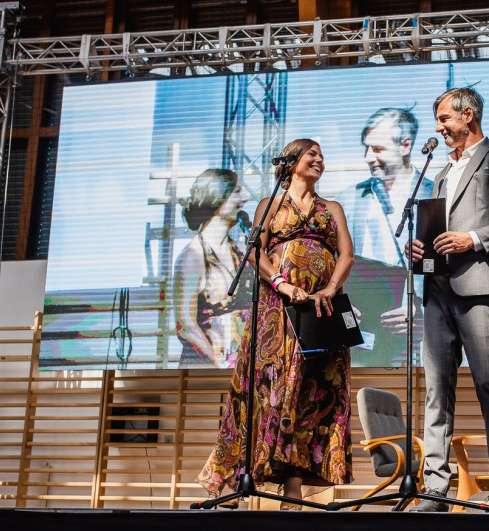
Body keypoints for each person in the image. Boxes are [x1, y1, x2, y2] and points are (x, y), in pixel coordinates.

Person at [197, 138, 355, 510]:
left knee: (311, 394)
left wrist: (330, 288)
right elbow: (255, 252)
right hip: (276, 310)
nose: (319, 159)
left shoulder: (332, 208)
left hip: (320, 310)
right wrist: (283, 284)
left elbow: (346, 254)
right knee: (264, 389)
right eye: (312, 154)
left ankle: (294, 487)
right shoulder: (270, 205)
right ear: (291, 161)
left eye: (322, 155)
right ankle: (234, 476)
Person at [406, 87, 489, 513]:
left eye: (444, 119)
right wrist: (420, 248)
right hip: (437, 291)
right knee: (436, 391)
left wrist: (473, 238)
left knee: (487, 383)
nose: (439, 127)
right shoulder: (442, 172)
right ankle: (435, 490)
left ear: (469, 116)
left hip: (480, 288)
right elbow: (438, 230)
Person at [335, 108, 433, 366]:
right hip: (357, 331)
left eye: (377, 149)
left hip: (409, 337)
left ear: (405, 146)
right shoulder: (347, 200)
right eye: (366, 148)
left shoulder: (434, 194)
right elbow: (330, 265)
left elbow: (443, 267)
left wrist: (421, 310)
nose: (368, 157)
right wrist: (341, 307)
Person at [173, 169, 251, 367]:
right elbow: (185, 325)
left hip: (240, 366)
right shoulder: (193, 256)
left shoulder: (241, 252)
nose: (244, 198)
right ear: (217, 197)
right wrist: (219, 363)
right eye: (236, 192)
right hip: (206, 369)